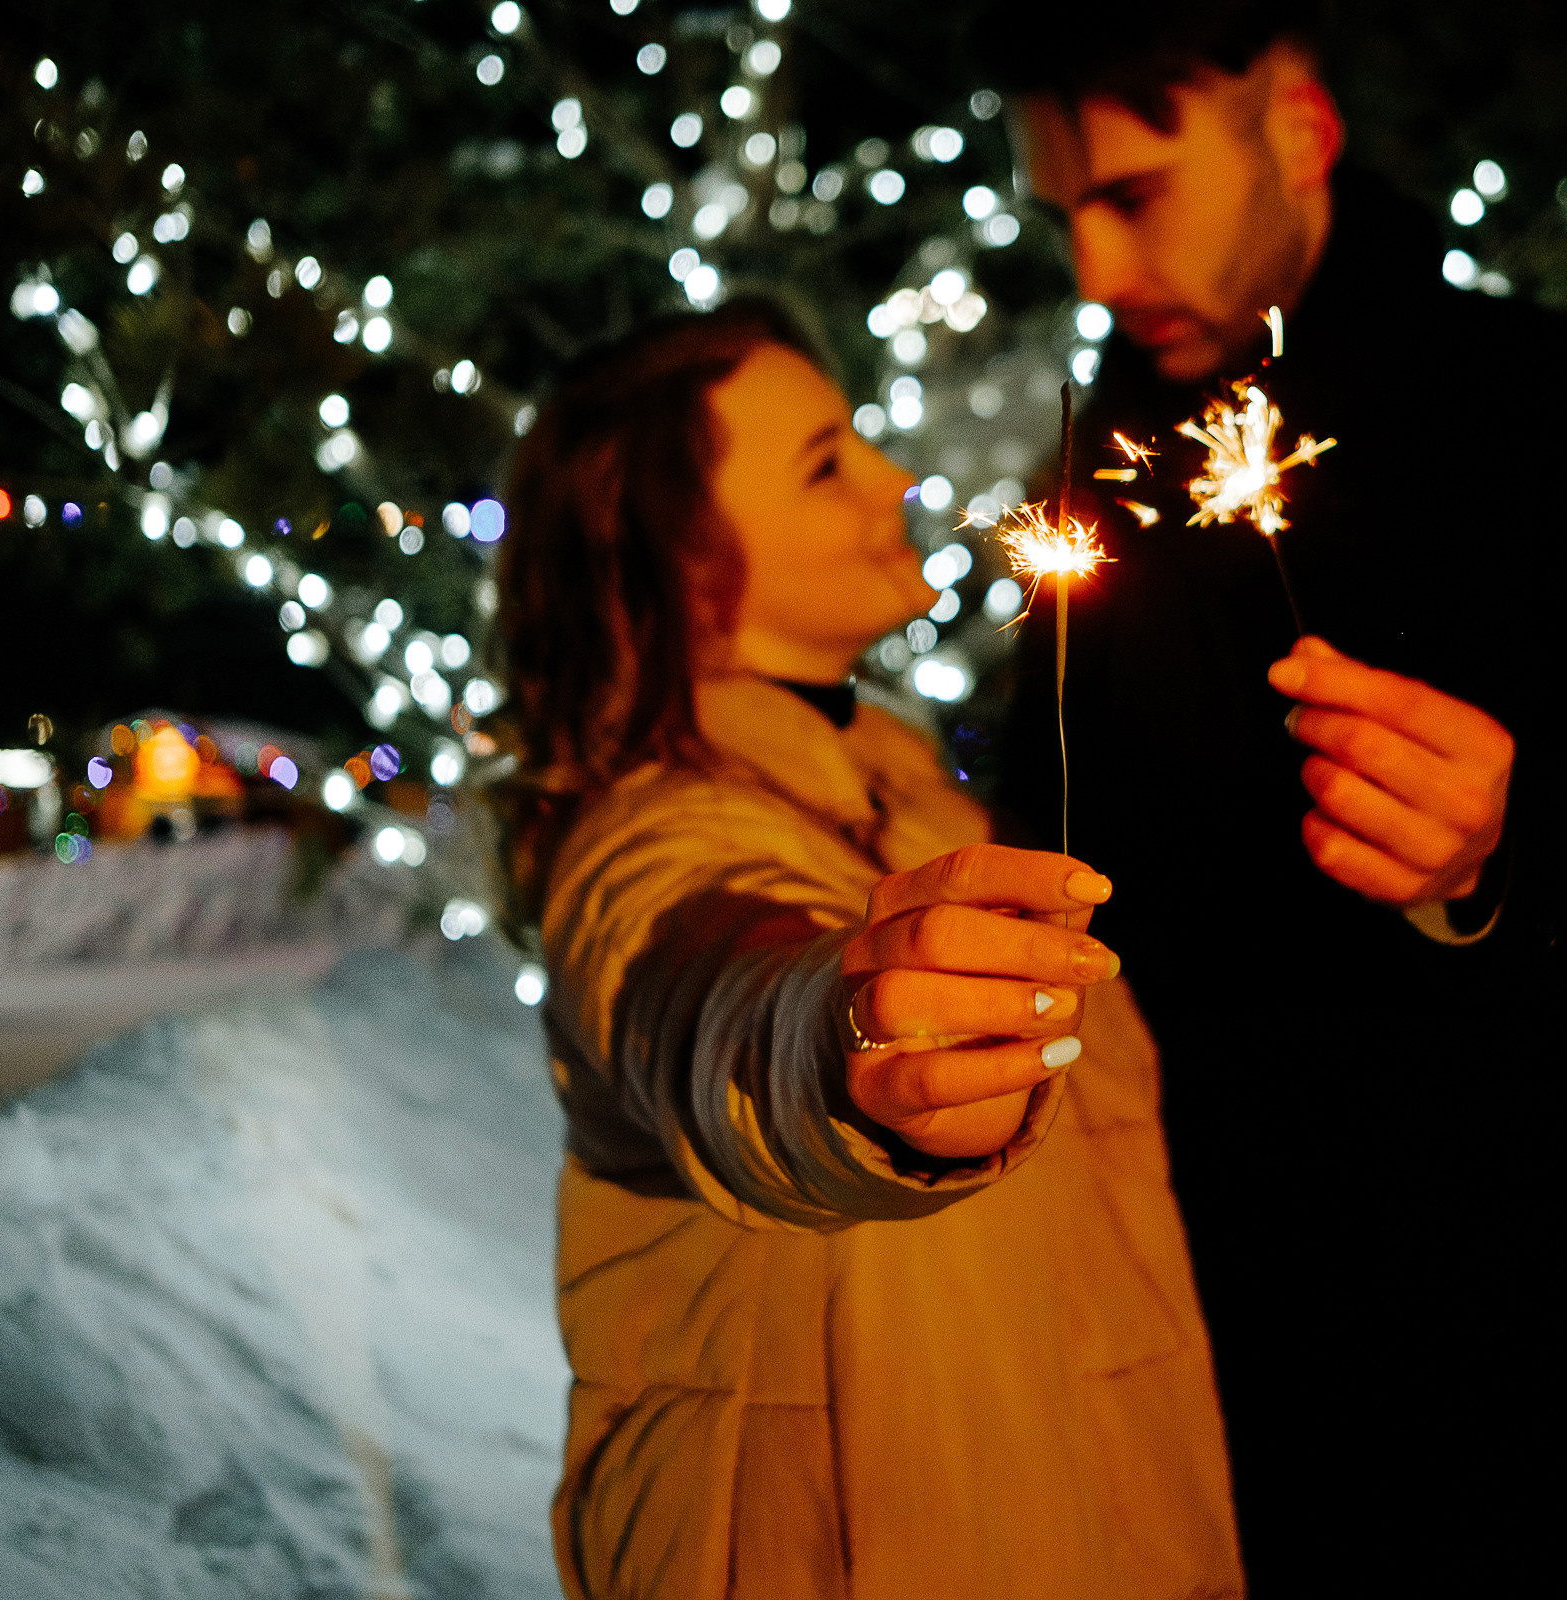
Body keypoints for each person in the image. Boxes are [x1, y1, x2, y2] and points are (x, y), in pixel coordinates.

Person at [973, 4, 1567, 1590]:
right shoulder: (1102, 471)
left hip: (1499, 1390)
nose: (1096, 275)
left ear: (1295, 129)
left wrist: (1513, 851)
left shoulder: (1560, 414)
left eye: (1137, 194)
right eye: (1065, 218)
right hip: (1171, 1358)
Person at [494, 300, 1243, 1600]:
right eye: (824, 461)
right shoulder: (652, 829)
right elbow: (715, 991)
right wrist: (849, 1057)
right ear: (673, 554)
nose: (893, 477)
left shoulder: (901, 792)